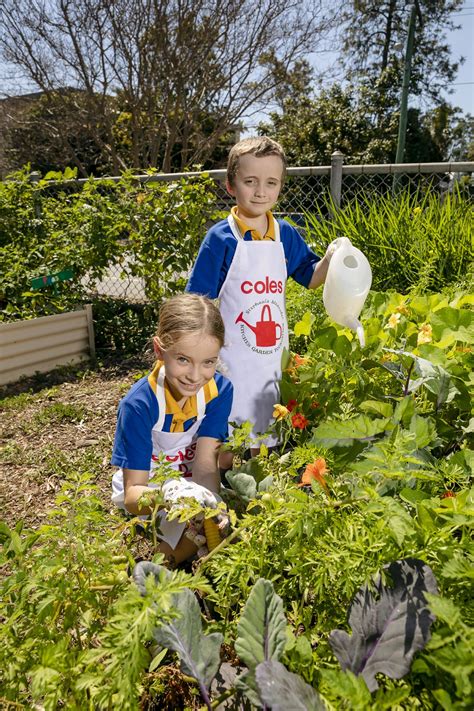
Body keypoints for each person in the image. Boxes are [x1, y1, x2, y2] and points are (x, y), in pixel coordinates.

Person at [186, 136, 334, 470]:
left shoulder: (285, 235)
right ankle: (218, 481)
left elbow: (310, 276)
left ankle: (262, 479)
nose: (260, 191)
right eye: (250, 182)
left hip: (270, 355)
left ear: (281, 186)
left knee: (267, 421)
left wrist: (332, 257)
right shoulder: (221, 238)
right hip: (230, 355)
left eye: (271, 183)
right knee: (223, 425)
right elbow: (199, 300)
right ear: (230, 185)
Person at [111, 293, 233, 565]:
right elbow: (133, 495)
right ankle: (154, 571)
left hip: (193, 482)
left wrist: (210, 501)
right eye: (183, 359)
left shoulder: (219, 391)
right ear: (159, 350)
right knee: (198, 529)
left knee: (219, 510)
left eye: (208, 362)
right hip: (151, 489)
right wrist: (170, 495)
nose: (195, 375)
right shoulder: (140, 404)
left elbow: (204, 464)